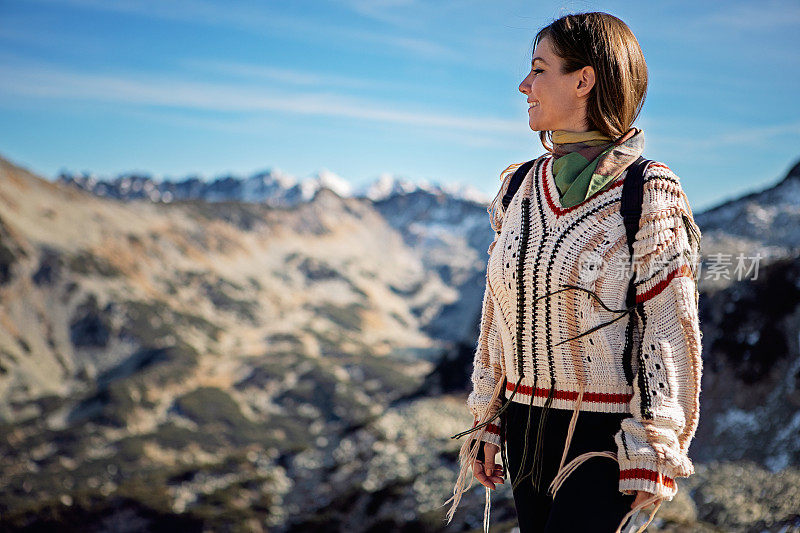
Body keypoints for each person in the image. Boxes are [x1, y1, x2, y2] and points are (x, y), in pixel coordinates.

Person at [442, 12, 703, 533]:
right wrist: (488, 419)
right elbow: (498, 313)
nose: (524, 85)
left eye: (539, 70)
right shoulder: (518, 187)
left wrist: (654, 444)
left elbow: (669, 327)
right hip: (523, 431)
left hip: (603, 441)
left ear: (583, 80)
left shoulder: (648, 190)